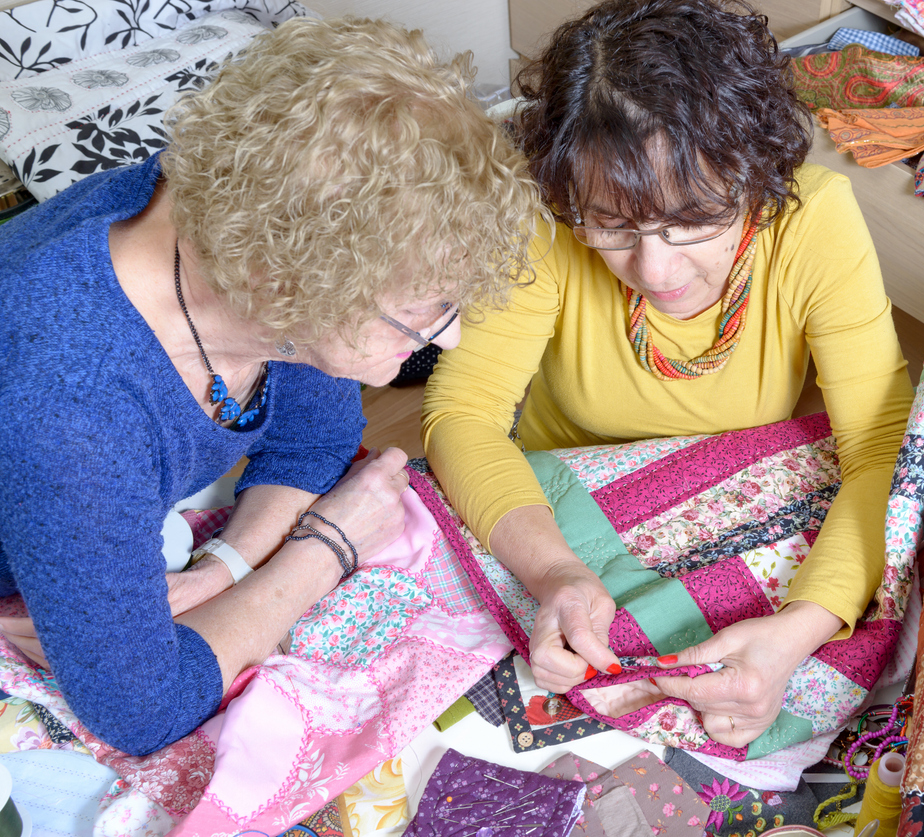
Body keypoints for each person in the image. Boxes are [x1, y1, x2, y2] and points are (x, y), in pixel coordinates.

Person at [0, 16, 539, 756]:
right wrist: (326, 547)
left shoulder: (255, 228)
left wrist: (229, 566)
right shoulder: (74, 397)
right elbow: (143, 711)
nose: (447, 338)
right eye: (419, 312)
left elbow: (316, 438)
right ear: (283, 283)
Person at [421, 0, 914, 747]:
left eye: (691, 219)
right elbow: (462, 414)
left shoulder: (813, 220)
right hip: (565, 511)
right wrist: (556, 574)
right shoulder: (544, 219)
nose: (653, 267)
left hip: (746, 508)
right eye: (612, 226)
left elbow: (882, 448)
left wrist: (798, 629)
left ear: (755, 174)